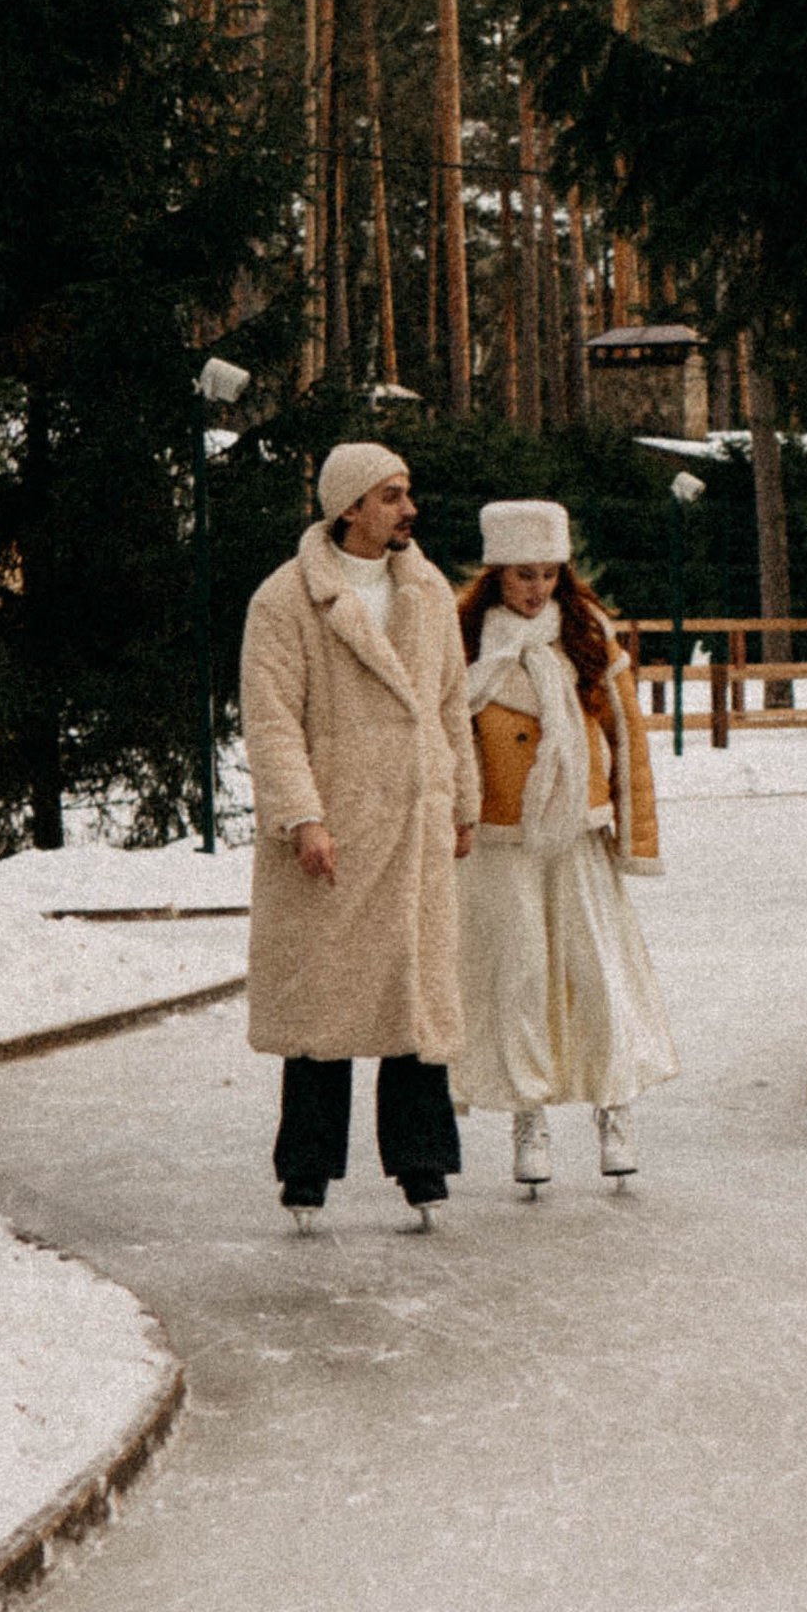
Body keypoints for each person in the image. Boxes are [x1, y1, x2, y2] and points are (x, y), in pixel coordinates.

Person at [240, 439, 478, 1230]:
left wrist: (461, 802)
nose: (409, 509)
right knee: (324, 1008)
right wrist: (302, 816)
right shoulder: (287, 600)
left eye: (408, 493)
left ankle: (423, 1169)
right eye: (391, 495)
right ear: (348, 507)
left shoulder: (429, 590)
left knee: (411, 1000)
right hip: (335, 832)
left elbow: (450, 705)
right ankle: (306, 1175)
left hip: (413, 825)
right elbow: (272, 723)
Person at [455, 499, 676, 1190]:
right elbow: (445, 744)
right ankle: (529, 1117)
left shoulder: (587, 637)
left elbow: (627, 738)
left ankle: (616, 1111)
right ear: (497, 573)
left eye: (550, 573)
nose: (538, 588)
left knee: (598, 977)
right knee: (519, 980)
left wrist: (636, 836)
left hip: (576, 836)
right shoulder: (464, 643)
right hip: (500, 839)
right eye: (524, 574)